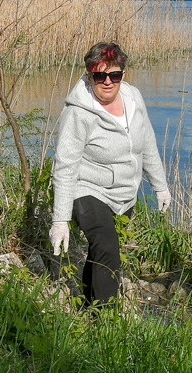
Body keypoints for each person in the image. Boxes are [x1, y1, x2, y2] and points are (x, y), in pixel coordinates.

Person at [50, 42, 171, 308]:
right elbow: (65, 166)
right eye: (99, 76)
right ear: (88, 76)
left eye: (114, 75)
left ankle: (86, 307)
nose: (107, 81)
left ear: (123, 75)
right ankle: (106, 321)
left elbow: (147, 142)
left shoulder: (134, 98)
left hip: (124, 194)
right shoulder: (78, 112)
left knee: (100, 252)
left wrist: (160, 186)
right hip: (87, 189)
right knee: (107, 244)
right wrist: (60, 219)